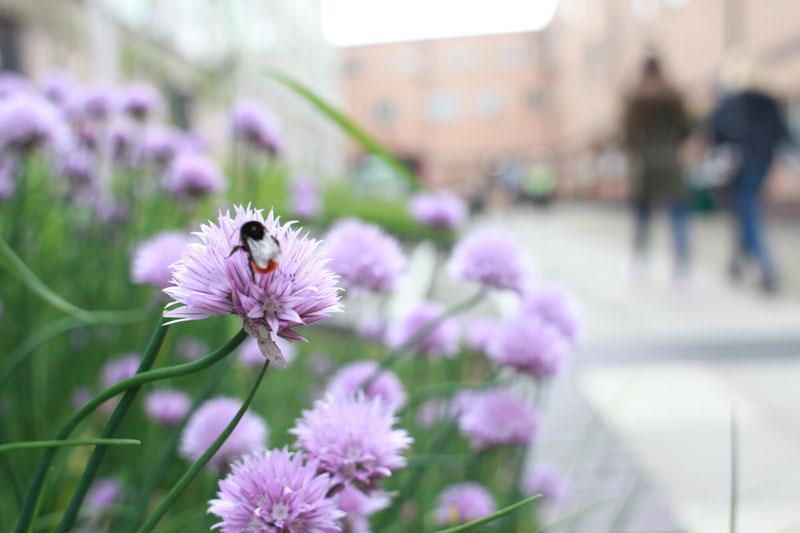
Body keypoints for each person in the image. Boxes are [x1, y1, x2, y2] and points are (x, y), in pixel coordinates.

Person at [710, 54, 793, 294]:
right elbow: (783, 133)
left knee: (748, 214)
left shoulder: (732, 102)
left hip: (739, 166)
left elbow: (716, 132)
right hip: (761, 163)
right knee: (745, 211)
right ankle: (736, 264)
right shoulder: (768, 102)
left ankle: (767, 271)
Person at [624, 56, 692, 282]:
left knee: (643, 217)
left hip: (646, 164)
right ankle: (681, 271)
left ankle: (640, 263)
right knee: (677, 218)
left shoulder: (636, 98)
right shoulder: (673, 95)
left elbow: (628, 135)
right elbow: (687, 128)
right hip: (671, 162)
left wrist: (641, 148)